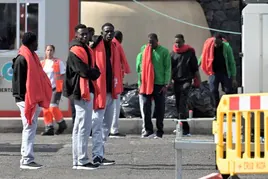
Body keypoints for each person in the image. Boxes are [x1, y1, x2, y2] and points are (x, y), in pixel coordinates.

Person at [12, 32, 52, 169]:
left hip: (31, 99)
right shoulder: (22, 59)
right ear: (31, 43)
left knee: (30, 127)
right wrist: (25, 99)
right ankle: (26, 160)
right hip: (26, 100)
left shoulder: (31, 57)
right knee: (29, 128)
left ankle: (27, 158)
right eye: (36, 42)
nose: (38, 44)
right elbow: (18, 82)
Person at [63, 24, 100, 170]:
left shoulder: (85, 49)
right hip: (80, 91)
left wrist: (94, 71)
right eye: (82, 34)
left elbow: (93, 68)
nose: (85, 36)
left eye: (86, 34)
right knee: (83, 127)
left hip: (83, 90)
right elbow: (85, 71)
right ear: (76, 36)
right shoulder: (75, 51)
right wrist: (94, 72)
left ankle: (78, 160)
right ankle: (82, 160)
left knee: (80, 127)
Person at [91, 22, 121, 166]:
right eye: (107, 31)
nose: (110, 34)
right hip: (99, 92)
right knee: (96, 124)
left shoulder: (114, 47)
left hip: (111, 91)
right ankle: (96, 155)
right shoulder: (96, 46)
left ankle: (100, 154)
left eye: (111, 31)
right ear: (102, 33)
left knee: (106, 126)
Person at [136, 33, 171, 138]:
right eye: (149, 42)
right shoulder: (144, 52)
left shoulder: (164, 52)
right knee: (146, 107)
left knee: (160, 109)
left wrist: (166, 84)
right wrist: (139, 83)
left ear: (157, 40)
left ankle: (159, 131)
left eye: (152, 42)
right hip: (146, 84)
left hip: (159, 84)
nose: (150, 44)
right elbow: (139, 69)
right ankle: (148, 130)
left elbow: (167, 68)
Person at [170, 34, 201, 136]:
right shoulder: (173, 54)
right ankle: (183, 126)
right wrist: (169, 81)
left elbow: (195, 68)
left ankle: (185, 129)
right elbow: (170, 69)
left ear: (183, 41)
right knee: (178, 105)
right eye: (176, 42)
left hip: (186, 81)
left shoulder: (190, 53)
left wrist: (198, 80)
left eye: (179, 42)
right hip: (177, 81)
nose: (177, 44)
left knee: (182, 103)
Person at [199, 34, 237, 107]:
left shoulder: (227, 47)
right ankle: (216, 109)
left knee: (228, 90)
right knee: (213, 90)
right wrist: (196, 65)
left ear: (222, 41)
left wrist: (234, 78)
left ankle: (230, 108)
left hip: (225, 72)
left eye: (218, 43)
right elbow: (203, 56)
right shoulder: (209, 46)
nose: (216, 45)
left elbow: (232, 62)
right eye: (215, 43)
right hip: (213, 72)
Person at [40, 45, 67, 136]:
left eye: (51, 50)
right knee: (46, 109)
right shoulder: (42, 63)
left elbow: (63, 75)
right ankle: (49, 128)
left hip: (56, 88)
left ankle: (61, 123)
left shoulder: (58, 62)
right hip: (45, 89)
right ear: (45, 51)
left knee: (52, 107)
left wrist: (63, 86)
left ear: (53, 51)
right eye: (48, 50)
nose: (49, 52)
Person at [109, 30, 131, 138]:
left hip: (112, 81)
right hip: (115, 81)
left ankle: (110, 128)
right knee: (115, 106)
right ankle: (114, 129)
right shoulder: (116, 46)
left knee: (110, 106)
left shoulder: (112, 45)